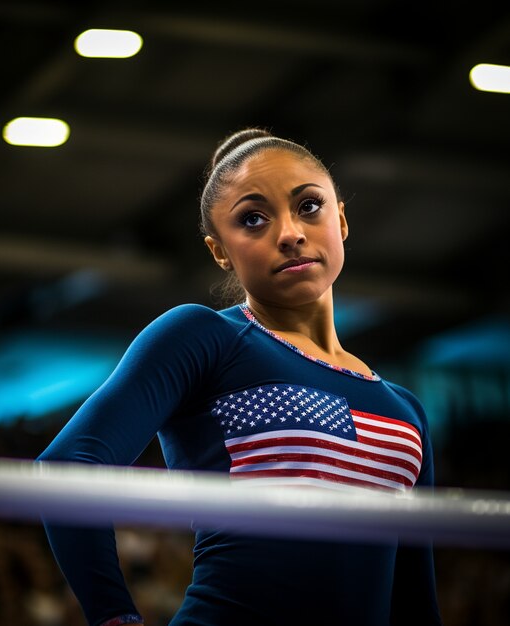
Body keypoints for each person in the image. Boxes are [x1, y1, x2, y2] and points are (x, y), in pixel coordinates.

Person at [37, 127, 443, 626]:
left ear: (341, 219)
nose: (290, 233)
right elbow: (69, 463)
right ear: (219, 251)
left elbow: (415, 600)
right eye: (253, 219)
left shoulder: (406, 409)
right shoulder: (205, 338)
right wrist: (114, 616)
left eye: (309, 207)